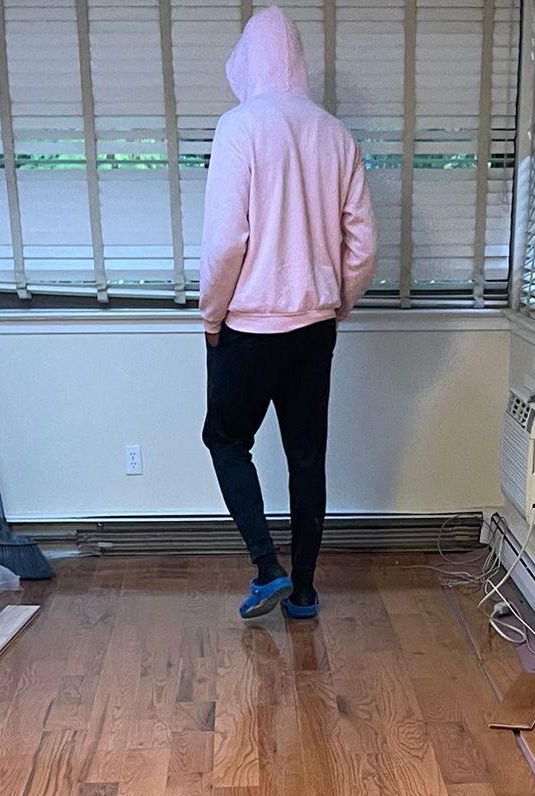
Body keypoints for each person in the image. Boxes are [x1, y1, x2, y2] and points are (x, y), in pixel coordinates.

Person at [199, 7, 377, 621]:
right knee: (307, 456)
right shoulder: (336, 134)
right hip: (314, 330)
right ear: (297, 59)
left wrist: (211, 317)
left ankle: (265, 568)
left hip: (247, 327)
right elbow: (364, 245)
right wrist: (338, 302)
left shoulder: (239, 127)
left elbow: (226, 242)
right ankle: (303, 591)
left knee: (224, 439)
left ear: (248, 60)